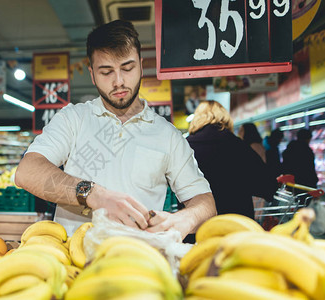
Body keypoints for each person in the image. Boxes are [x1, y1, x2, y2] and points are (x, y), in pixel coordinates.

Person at [15, 20, 216, 238]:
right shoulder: (73, 118)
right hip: (75, 262)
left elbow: (205, 203)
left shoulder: (168, 136)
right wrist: (92, 194)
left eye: (127, 68)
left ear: (141, 65)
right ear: (92, 75)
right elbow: (27, 172)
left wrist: (184, 219)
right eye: (106, 72)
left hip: (139, 259)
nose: (118, 81)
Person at [186, 101, 278, 220]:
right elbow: (266, 185)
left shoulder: (185, 147)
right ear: (225, 118)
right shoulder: (238, 146)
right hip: (236, 223)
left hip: (196, 223)